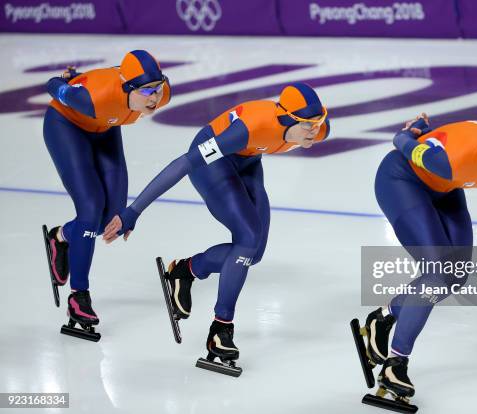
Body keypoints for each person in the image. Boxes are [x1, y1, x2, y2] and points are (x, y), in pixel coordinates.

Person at [103, 82, 330, 364]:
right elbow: (184, 164)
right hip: (213, 161)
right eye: (308, 124)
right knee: (247, 239)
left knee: (253, 253)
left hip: (247, 162)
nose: (315, 130)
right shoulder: (249, 128)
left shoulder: (315, 127)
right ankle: (220, 330)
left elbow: (315, 125)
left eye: (318, 120)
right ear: (287, 118)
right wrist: (133, 212)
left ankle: (185, 271)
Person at [359, 108, 477, 402]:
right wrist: (413, 130)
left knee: (455, 277)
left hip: (446, 188)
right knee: (436, 275)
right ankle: (396, 364)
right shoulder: (452, 161)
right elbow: (401, 140)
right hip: (402, 182)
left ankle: (384, 316)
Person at [43, 50, 171, 329]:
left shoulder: (162, 92)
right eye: (147, 91)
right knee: (90, 208)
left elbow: (128, 75)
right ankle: (79, 297)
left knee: (110, 220)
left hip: (107, 127)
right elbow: (52, 86)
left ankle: (61, 237)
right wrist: (66, 80)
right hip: (67, 125)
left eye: (157, 88)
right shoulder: (92, 98)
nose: (154, 98)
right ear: (127, 88)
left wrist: (156, 87)